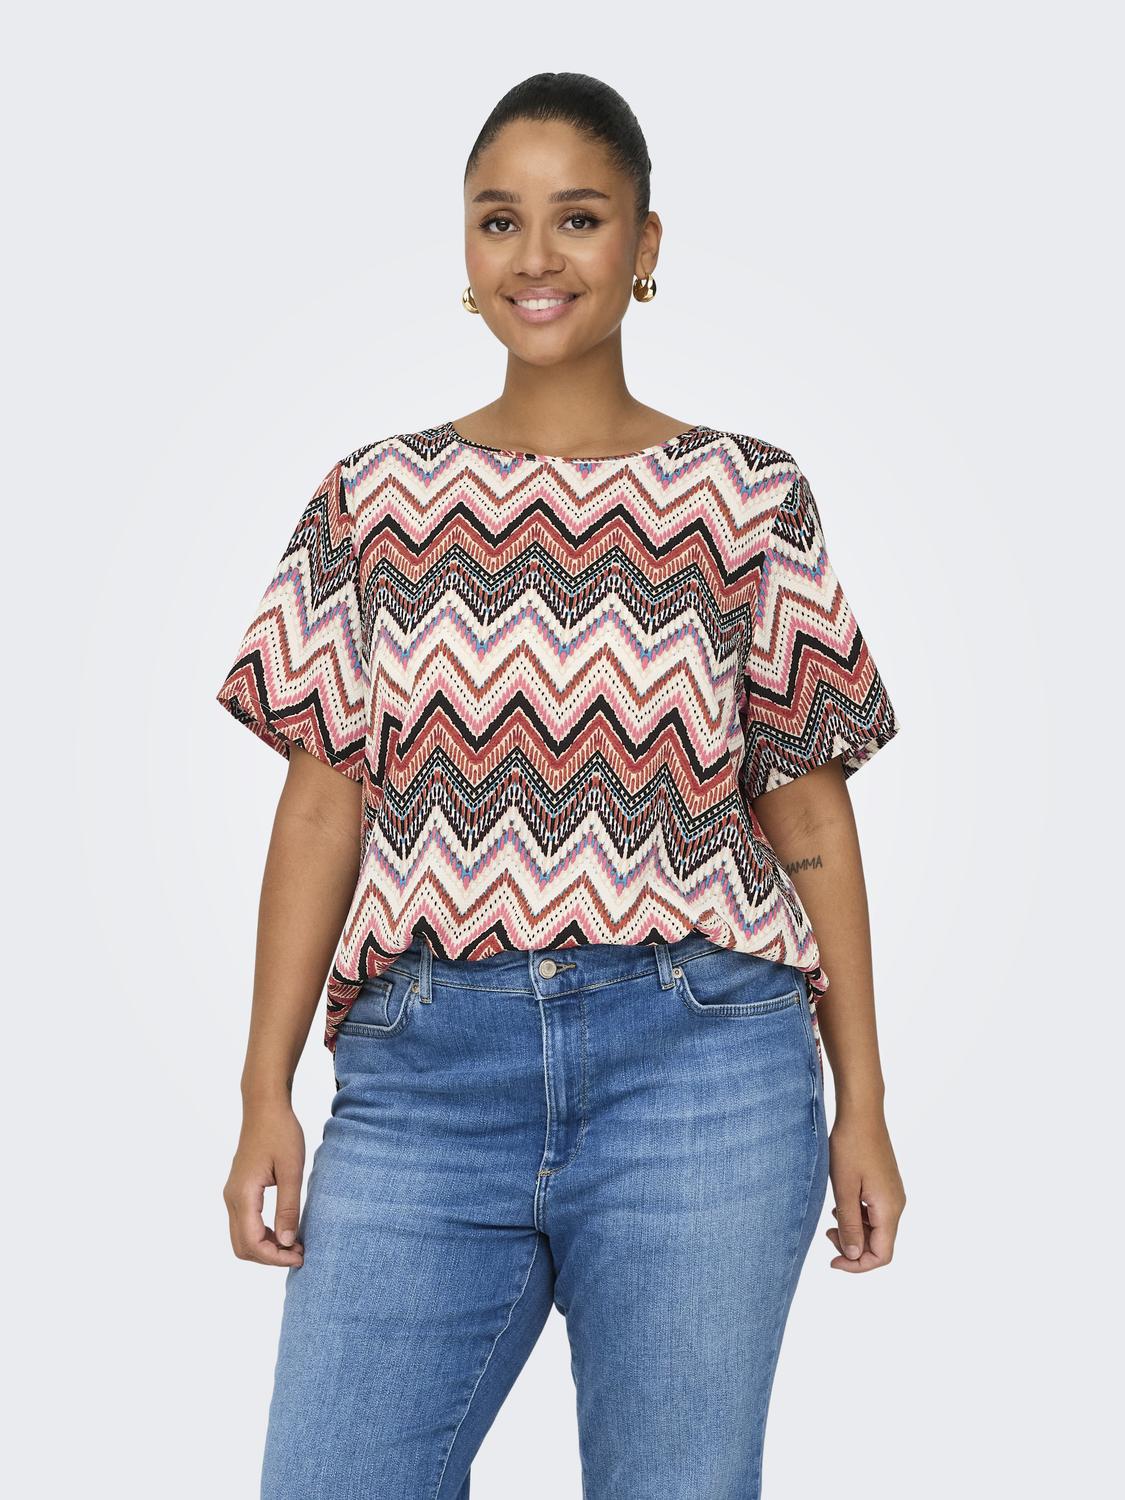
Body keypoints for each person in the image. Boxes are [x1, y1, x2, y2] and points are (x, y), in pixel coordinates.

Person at [217, 71, 907, 1500]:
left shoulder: (747, 496)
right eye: (499, 220)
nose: (536, 255)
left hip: (701, 1066)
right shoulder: (370, 499)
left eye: (578, 218)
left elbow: (809, 817)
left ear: (644, 245)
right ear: (465, 249)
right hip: (421, 1074)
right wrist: (262, 1091)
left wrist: (865, 1103)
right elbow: (321, 804)